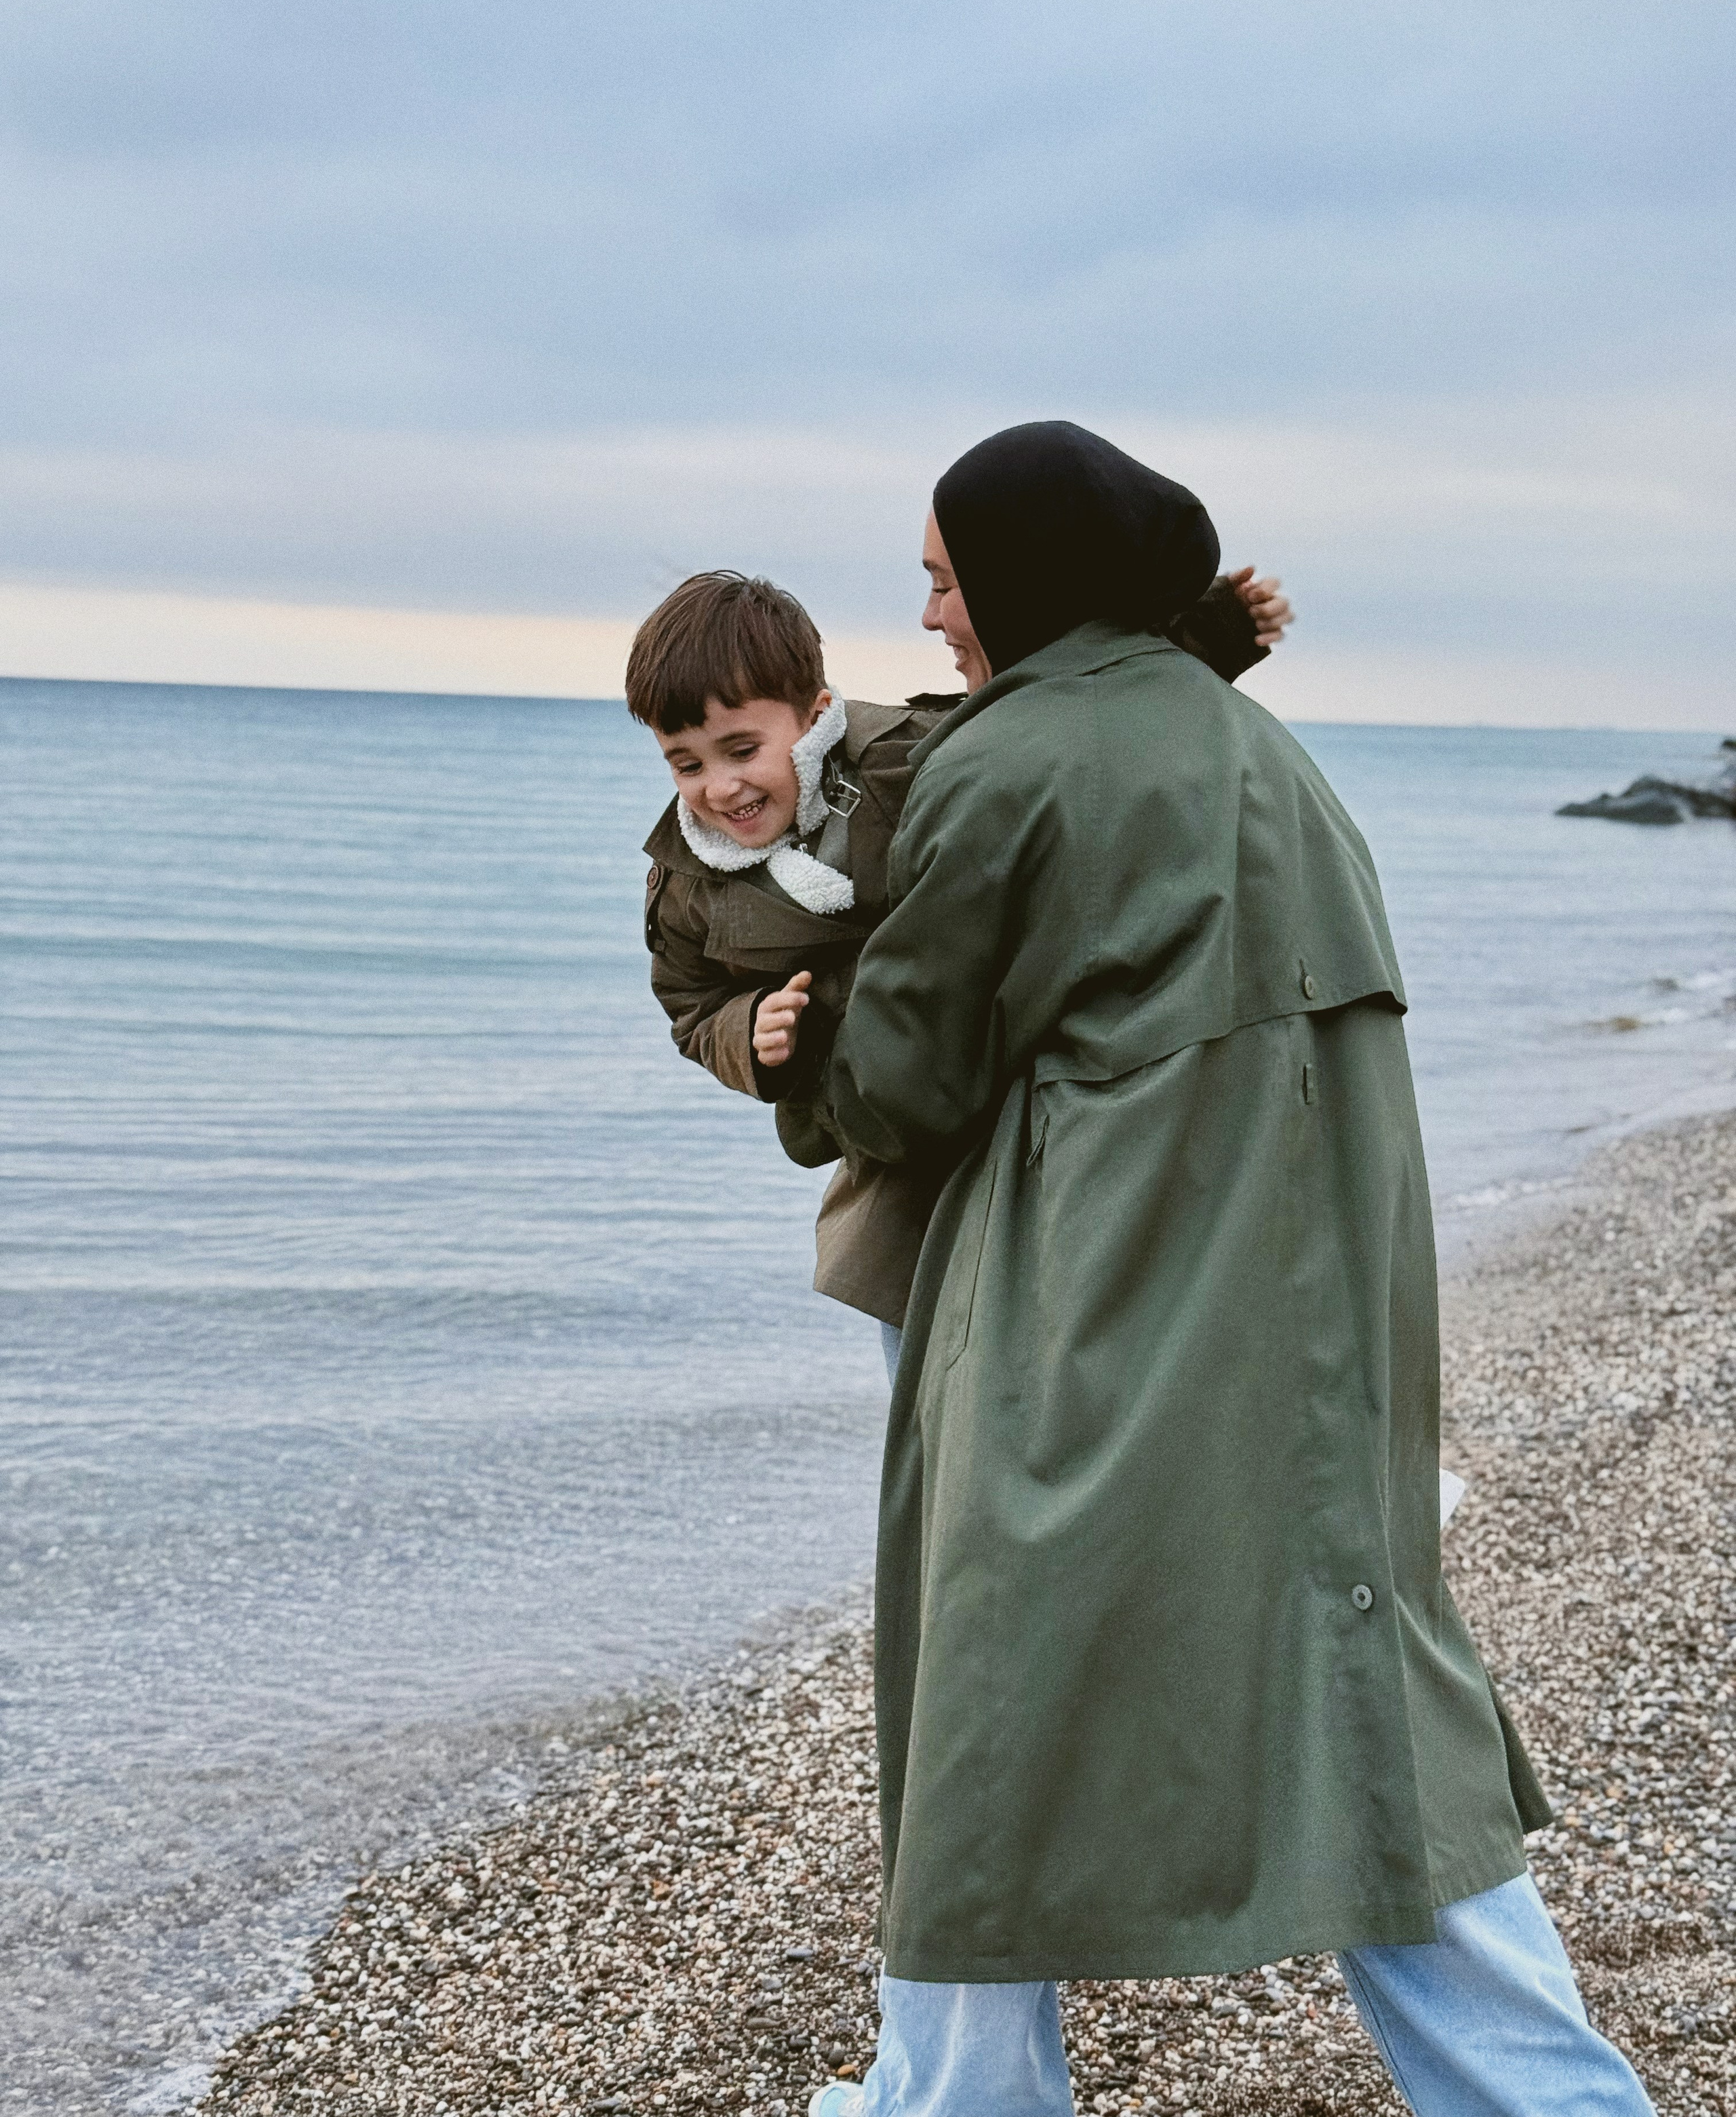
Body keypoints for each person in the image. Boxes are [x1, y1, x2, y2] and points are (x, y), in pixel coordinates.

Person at [787, 423, 1655, 2117]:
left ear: (1024, 582)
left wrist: (773, 1041)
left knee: (984, 1694)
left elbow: (904, 1078)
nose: (931, 619)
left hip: (1099, 1308)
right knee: (1358, 1688)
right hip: (1322, 1304)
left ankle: (956, 2101)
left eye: (946, 580)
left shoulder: (1004, 760)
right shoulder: (1259, 751)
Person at [627, 560, 1291, 1380]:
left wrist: (1206, 635)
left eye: (740, 748)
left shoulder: (908, 757)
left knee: (1079, 1331)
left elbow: (1060, 734)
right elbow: (691, 1004)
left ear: (816, 716)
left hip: (1020, 1087)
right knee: (927, 1366)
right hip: (887, 1153)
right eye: (685, 764)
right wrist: (747, 1030)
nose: (720, 787)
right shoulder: (688, 880)